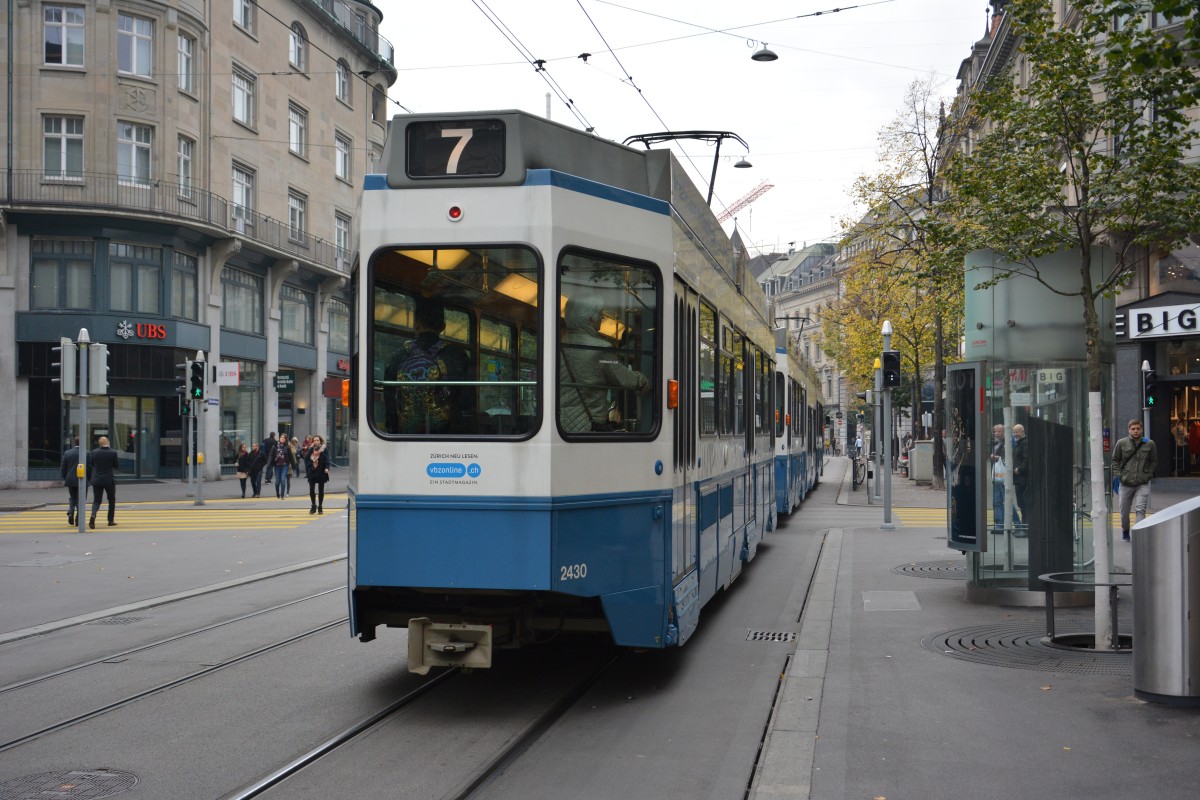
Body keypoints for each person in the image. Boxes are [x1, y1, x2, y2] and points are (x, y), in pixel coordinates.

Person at [558, 294, 651, 433]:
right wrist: (642, 379)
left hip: (559, 422)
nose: (602, 318)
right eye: (600, 314)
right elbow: (624, 379)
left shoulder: (557, 344)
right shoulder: (600, 349)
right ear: (590, 319)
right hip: (588, 425)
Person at [384, 297, 474, 434]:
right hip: (448, 435)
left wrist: (394, 428)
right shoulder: (457, 355)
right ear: (443, 327)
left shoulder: (398, 356)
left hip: (406, 436)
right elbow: (467, 401)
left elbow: (390, 404)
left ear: (416, 325)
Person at [1113, 418, 1158, 541]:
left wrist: (1148, 475)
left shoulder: (1149, 444)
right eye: (1133, 429)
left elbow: (1154, 461)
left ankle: (1139, 535)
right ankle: (1125, 531)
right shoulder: (1121, 443)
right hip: (1125, 483)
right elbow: (1115, 461)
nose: (1136, 431)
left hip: (1142, 483)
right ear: (1129, 430)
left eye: (1138, 429)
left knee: (1140, 510)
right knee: (1124, 513)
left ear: (1142, 429)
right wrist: (1120, 475)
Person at [87, 435, 119, 528]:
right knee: (111, 499)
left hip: (97, 479)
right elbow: (116, 466)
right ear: (108, 442)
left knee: (97, 500)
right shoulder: (113, 452)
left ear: (99, 443)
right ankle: (110, 520)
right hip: (109, 480)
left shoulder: (94, 452)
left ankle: (93, 515)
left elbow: (91, 464)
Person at [1011, 423, 1029, 534]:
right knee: (1022, 504)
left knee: (1024, 504)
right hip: (1019, 479)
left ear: (1022, 431)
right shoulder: (1019, 443)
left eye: (1017, 431)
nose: (1015, 434)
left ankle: (1026, 528)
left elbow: (1027, 459)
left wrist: (1019, 469)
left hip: (1022, 479)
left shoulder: (1024, 443)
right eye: (1014, 432)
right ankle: (1024, 527)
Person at [307, 434, 330, 514]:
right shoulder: (311, 449)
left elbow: (327, 460)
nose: (316, 442)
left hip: (321, 472)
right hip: (312, 471)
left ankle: (320, 506)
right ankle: (313, 506)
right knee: (311, 490)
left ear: (320, 441)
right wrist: (310, 449)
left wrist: (327, 468)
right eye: (314, 440)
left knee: (321, 490)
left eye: (317, 440)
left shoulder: (324, 449)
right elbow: (306, 459)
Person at [61, 437, 81, 526]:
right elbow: (89, 467)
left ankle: (71, 511)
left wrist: (66, 478)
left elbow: (63, 468)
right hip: (82, 479)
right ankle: (78, 519)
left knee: (73, 497)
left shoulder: (67, 453)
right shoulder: (86, 453)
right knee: (80, 499)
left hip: (70, 479)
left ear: (74, 442)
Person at [271, 432, 293, 499]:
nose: (282, 438)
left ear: (285, 439)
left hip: (284, 465)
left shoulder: (287, 446)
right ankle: (278, 493)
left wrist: (294, 465)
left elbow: (291, 456)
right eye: (281, 437)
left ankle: (282, 495)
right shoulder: (275, 445)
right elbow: (271, 455)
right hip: (277, 465)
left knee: (283, 479)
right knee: (277, 481)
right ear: (279, 438)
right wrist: (269, 464)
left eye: (284, 438)